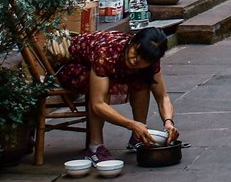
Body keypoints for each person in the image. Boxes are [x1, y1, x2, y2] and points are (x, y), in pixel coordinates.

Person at [56, 26, 176, 160]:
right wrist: (130, 124)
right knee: (101, 90)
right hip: (74, 66)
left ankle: (139, 137)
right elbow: (98, 104)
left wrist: (168, 122)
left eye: (144, 60)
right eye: (136, 52)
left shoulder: (151, 60)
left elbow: (163, 97)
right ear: (132, 42)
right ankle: (95, 147)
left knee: (143, 80)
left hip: (105, 69)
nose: (135, 59)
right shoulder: (106, 53)